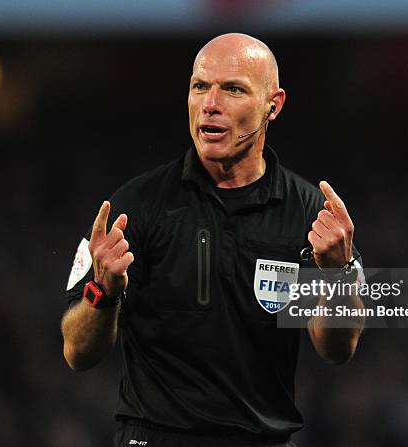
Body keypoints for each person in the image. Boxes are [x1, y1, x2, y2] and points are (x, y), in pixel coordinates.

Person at [61, 33, 365, 447]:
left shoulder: (310, 213)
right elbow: (77, 352)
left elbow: (338, 349)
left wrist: (336, 276)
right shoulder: (135, 206)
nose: (210, 103)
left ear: (272, 106)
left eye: (233, 89)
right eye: (200, 86)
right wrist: (104, 292)